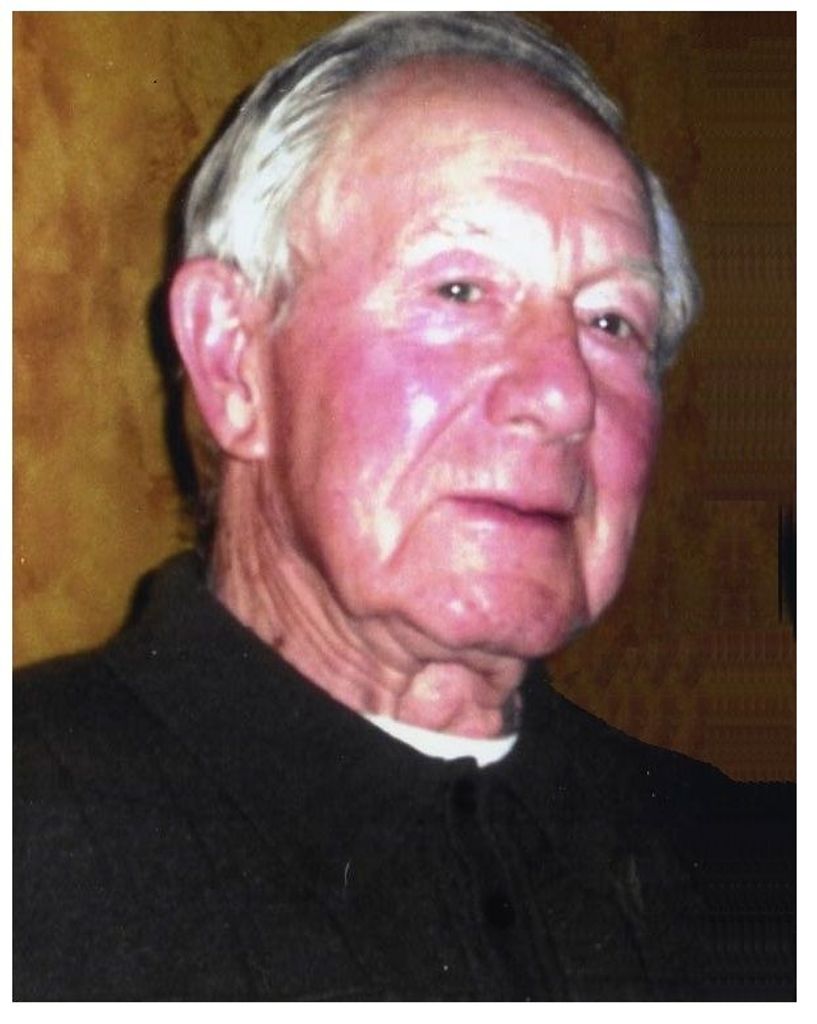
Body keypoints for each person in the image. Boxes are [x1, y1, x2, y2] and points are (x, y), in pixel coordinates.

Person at [14, 12, 794, 1001]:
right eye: (459, 289)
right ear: (233, 360)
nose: (564, 394)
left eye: (610, 321)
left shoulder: (751, 865)